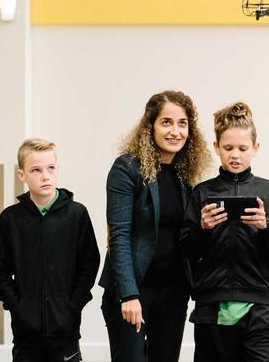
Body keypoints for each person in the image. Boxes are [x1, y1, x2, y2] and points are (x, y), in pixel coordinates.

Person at [98, 90, 212, 362]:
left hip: (173, 293)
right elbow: (119, 235)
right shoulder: (127, 168)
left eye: (182, 123)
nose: (176, 131)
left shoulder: (186, 176)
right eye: (167, 122)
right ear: (150, 127)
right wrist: (128, 295)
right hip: (133, 290)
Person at [180, 101, 269, 362]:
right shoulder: (203, 192)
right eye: (228, 148)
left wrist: (266, 228)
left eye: (242, 148)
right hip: (211, 306)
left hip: (258, 308)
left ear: (255, 148)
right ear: (217, 148)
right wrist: (202, 229)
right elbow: (185, 250)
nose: (235, 155)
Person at [0, 138, 100, 362]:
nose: (45, 176)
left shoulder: (77, 214)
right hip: (25, 335)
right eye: (36, 170)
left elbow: (89, 264)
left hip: (66, 331)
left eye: (51, 168)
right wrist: (17, 306)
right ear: (22, 175)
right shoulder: (10, 219)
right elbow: (1, 271)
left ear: (57, 169)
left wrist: (74, 304)